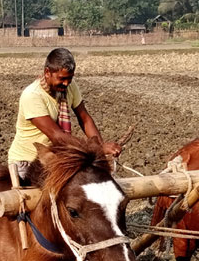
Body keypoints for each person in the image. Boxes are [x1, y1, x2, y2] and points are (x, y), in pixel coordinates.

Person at [8, 48, 121, 184]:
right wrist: (95, 149)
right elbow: (57, 136)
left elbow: (85, 119)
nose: (66, 83)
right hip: (28, 163)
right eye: (62, 78)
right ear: (47, 72)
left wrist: (100, 147)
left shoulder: (70, 87)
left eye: (70, 78)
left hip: (56, 159)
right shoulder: (32, 96)